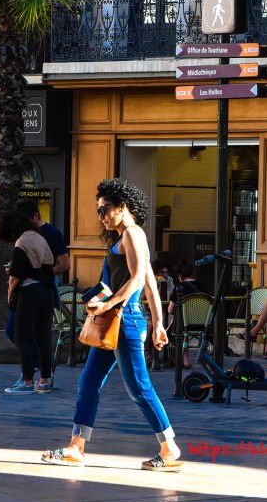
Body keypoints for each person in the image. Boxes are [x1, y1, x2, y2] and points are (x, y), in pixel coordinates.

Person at [42, 178, 181, 471]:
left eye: (105, 209)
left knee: (139, 389)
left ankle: (169, 448)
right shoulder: (126, 237)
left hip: (125, 321)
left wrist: (108, 304)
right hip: (115, 322)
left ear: (122, 207)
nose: (101, 216)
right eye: (98, 211)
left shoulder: (132, 234)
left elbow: (135, 280)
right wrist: (157, 323)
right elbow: (150, 283)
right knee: (88, 383)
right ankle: (75, 447)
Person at [4, 199, 71, 384]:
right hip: (39, 286)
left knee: (27, 333)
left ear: (35, 216)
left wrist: (41, 272)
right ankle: (40, 368)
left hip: (36, 287)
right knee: (20, 331)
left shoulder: (50, 234)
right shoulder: (27, 235)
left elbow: (65, 264)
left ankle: (33, 374)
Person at [0, 211, 55, 394]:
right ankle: (45, 380)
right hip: (47, 291)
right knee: (43, 337)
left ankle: (27, 382)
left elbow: (16, 275)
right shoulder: (40, 238)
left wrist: (10, 295)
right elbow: (48, 266)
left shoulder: (22, 242)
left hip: (29, 292)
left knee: (21, 335)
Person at [166, 262, 211, 369]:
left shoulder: (179, 287)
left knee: (176, 327)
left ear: (180, 275)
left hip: (184, 326)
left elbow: (170, 311)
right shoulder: (204, 286)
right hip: (203, 324)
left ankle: (184, 359)